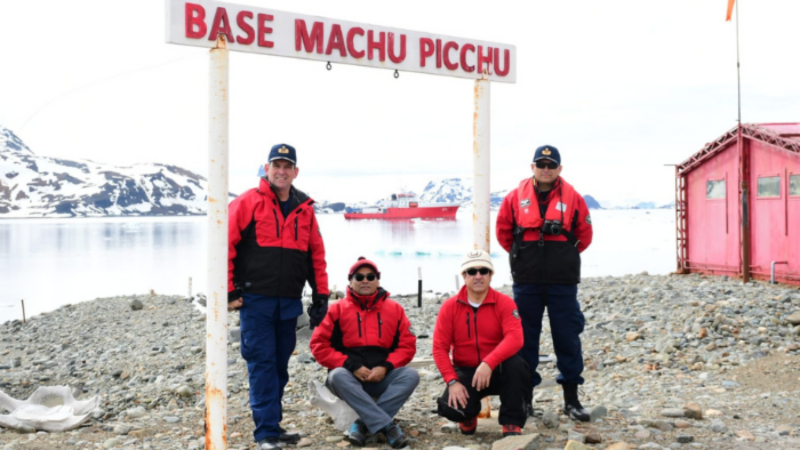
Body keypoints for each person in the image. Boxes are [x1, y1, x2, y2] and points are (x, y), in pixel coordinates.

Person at [228, 143, 330, 449]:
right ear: (267, 168)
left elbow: (316, 256)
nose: (281, 171)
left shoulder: (305, 208)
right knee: (262, 364)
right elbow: (223, 245)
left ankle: (272, 425)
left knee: (279, 368)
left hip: (289, 303)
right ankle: (265, 434)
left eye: (287, 166)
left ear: (295, 172)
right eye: (276, 165)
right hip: (255, 301)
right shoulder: (247, 202)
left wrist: (321, 296)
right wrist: (229, 290)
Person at [496, 145, 593, 422]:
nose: (546, 169)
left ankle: (572, 400)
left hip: (563, 281)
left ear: (559, 168)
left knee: (568, 337)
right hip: (526, 280)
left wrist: (563, 255)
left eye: (551, 165)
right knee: (524, 339)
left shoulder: (574, 197)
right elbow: (504, 233)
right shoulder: (514, 197)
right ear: (533, 167)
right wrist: (522, 256)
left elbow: (585, 235)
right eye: (541, 164)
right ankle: (525, 400)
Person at [310, 257, 418, 449]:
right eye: (359, 277)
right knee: (337, 375)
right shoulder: (336, 309)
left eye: (370, 276)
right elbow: (319, 345)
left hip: (382, 378)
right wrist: (352, 366)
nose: (365, 280)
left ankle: (362, 425)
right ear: (350, 281)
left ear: (378, 280)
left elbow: (407, 346)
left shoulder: (395, 309)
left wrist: (385, 367)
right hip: (348, 380)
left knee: (410, 375)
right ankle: (388, 426)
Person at [432, 250, 530, 437]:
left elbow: (515, 338)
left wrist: (489, 363)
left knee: (517, 365)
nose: (478, 276)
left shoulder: (505, 303)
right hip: (467, 369)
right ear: (464, 275)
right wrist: (452, 381)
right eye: (472, 271)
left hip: (499, 369)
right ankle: (469, 414)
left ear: (491, 275)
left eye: (483, 271)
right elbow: (439, 348)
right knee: (450, 409)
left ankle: (511, 421)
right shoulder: (449, 307)